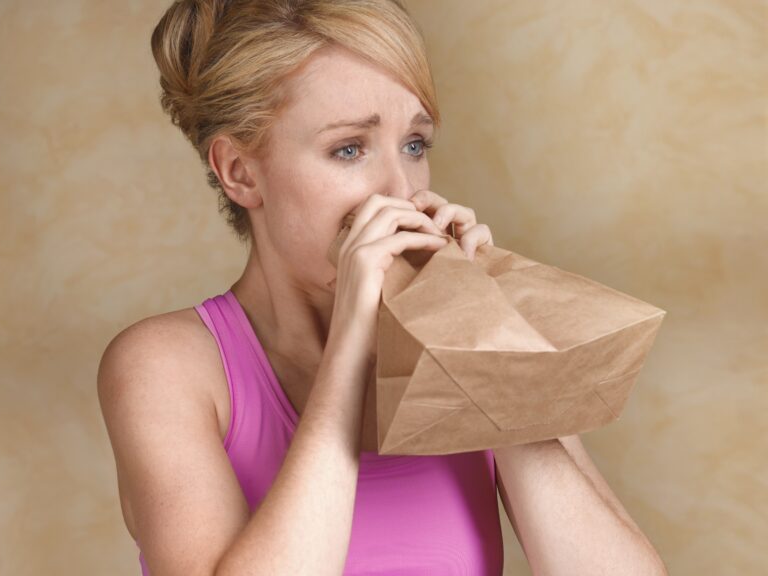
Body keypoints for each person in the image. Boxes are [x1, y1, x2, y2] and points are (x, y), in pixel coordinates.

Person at [98, 1, 668, 574]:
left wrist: (485, 341)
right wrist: (349, 346)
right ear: (240, 172)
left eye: (414, 144)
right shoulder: (165, 367)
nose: (400, 190)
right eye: (349, 148)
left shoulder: (474, 340)